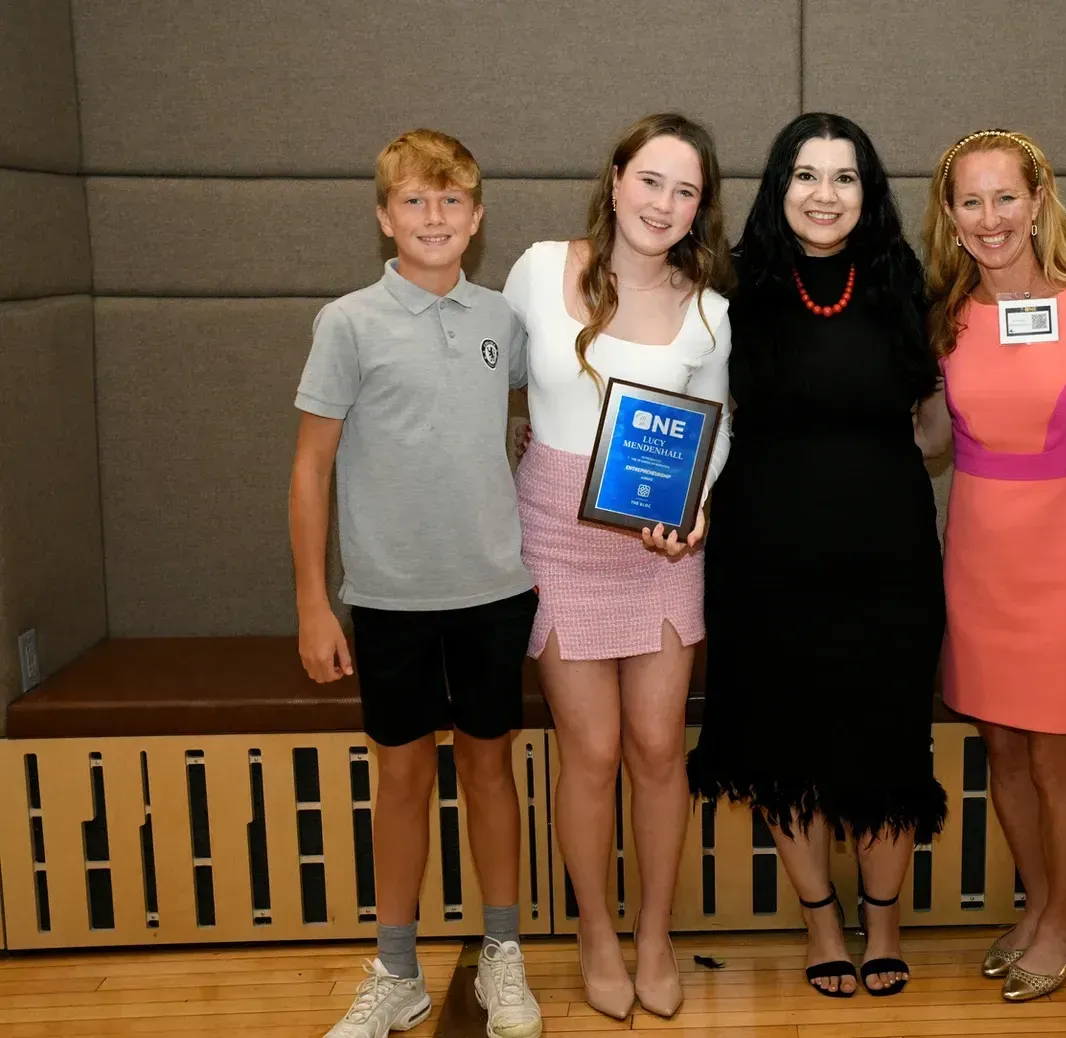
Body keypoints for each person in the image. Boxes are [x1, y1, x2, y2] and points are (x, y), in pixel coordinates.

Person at [686, 112, 947, 999]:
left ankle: (883, 922)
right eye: (806, 175)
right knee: (783, 741)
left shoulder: (906, 286)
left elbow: (941, 425)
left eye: (844, 177)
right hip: (766, 557)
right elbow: (686, 408)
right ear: (778, 187)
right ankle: (821, 924)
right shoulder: (727, 291)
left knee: (884, 740)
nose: (824, 195)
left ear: (868, 194)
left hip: (888, 555)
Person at [290, 129, 542, 1038]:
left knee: (487, 766)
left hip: (493, 590)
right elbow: (310, 467)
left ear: (476, 220)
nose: (433, 217)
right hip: (388, 599)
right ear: (384, 216)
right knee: (399, 779)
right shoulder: (348, 322)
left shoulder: (501, 321)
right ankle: (397, 972)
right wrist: (316, 601)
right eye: (414, 201)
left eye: (451, 202)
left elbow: (546, 413)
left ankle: (503, 955)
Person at [500, 113, 734, 1022]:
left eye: (685, 191)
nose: (664, 204)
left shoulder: (710, 309)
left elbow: (717, 435)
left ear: (700, 208)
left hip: (658, 549)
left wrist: (699, 513)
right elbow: (492, 379)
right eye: (651, 180)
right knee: (589, 753)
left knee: (658, 747)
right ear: (616, 178)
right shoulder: (536, 268)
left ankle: (653, 934)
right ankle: (597, 930)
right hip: (556, 538)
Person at [917, 128, 1066, 1003]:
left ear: (1039, 200)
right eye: (971, 201)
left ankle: (1061, 923)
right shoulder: (943, 313)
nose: (990, 217)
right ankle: (1038, 905)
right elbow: (932, 436)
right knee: (1002, 746)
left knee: (1058, 757)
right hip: (978, 548)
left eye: (1006, 196)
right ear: (950, 215)